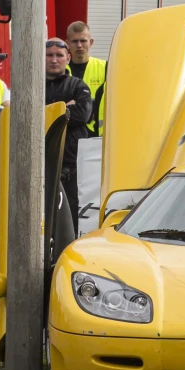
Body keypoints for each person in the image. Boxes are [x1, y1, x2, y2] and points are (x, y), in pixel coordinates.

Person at [44, 38, 92, 232]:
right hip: (41, 161)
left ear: (68, 58)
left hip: (71, 165)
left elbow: (82, 115)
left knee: (69, 217)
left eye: (59, 55)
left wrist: (45, 112)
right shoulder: (30, 86)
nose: (54, 60)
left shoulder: (78, 86)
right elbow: (26, 116)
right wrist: (63, 108)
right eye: (49, 55)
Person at [65, 22, 107, 137]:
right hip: (69, 134)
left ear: (91, 42)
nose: (79, 45)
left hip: (96, 135)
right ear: (67, 43)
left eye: (83, 41)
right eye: (74, 41)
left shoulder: (105, 67)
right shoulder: (62, 71)